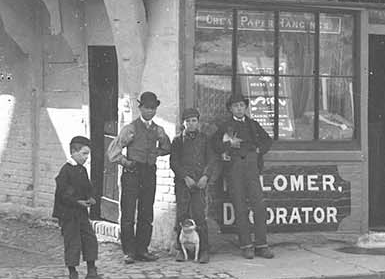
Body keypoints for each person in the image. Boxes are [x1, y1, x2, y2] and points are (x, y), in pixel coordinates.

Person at [110, 90, 171, 263]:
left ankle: (142, 250)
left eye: (153, 108)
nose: (149, 111)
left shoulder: (158, 130)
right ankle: (129, 252)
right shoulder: (130, 129)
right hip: (132, 173)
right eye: (146, 108)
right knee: (128, 213)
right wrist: (126, 162)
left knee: (146, 213)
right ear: (140, 108)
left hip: (149, 173)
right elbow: (113, 152)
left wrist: (155, 153)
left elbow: (167, 147)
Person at [212, 93, 275, 259]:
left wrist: (259, 150)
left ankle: (262, 244)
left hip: (252, 167)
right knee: (240, 207)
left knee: (259, 206)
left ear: (245, 107)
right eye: (235, 106)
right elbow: (215, 144)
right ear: (230, 109)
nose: (239, 108)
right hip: (234, 169)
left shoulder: (253, 124)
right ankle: (246, 245)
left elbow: (267, 140)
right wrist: (227, 145)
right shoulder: (225, 126)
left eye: (241, 105)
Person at [53, 135, 109, 279]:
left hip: (81, 213)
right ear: (73, 152)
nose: (86, 158)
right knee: (73, 243)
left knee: (90, 240)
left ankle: (92, 273)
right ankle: (73, 275)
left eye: (88, 154)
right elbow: (62, 194)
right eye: (84, 154)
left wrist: (90, 197)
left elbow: (87, 187)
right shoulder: (65, 171)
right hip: (68, 214)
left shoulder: (82, 170)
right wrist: (76, 202)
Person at [169, 107, 215, 263]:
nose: (191, 124)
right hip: (183, 184)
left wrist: (205, 176)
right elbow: (174, 162)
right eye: (187, 121)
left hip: (200, 183)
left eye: (194, 120)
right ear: (183, 123)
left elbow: (211, 160)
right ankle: (180, 250)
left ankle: (204, 250)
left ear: (198, 122)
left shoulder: (205, 139)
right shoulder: (177, 141)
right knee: (182, 214)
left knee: (199, 215)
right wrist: (185, 177)